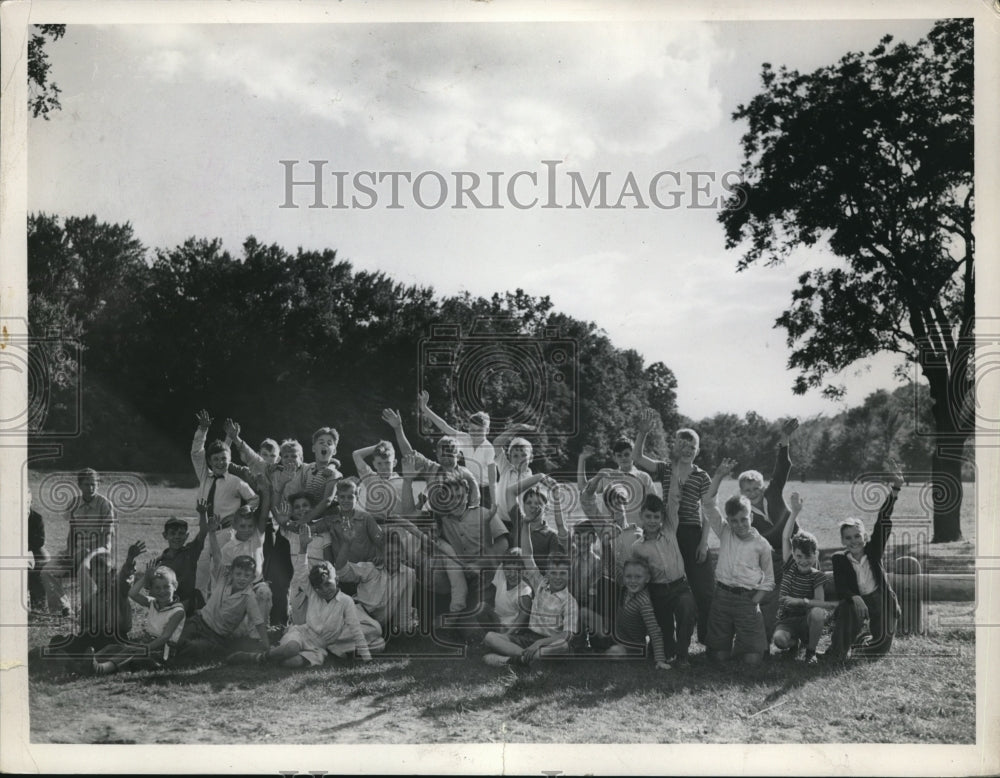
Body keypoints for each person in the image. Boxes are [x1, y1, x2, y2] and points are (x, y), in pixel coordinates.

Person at [711, 418, 800, 642]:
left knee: (803, 589)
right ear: (741, 492)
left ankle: (801, 637)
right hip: (774, 559)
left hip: (798, 549)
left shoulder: (773, 492)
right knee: (773, 596)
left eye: (756, 488)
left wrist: (785, 438)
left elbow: (782, 467)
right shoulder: (746, 515)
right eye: (747, 490)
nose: (753, 493)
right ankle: (770, 639)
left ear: (763, 486)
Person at [633, 410, 715, 645]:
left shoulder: (702, 476)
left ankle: (706, 637)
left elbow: (708, 510)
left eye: (692, 446)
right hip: (668, 531)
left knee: (704, 589)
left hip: (692, 533)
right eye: (683, 445)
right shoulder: (665, 468)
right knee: (667, 586)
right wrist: (642, 433)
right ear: (676, 447)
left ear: (697, 450)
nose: (688, 450)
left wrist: (703, 542)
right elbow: (638, 458)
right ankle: (665, 638)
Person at [227, 556, 384, 668]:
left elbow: (356, 631)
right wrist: (303, 548)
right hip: (303, 634)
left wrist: (367, 660)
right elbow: (301, 572)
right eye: (319, 588)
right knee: (291, 649)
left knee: (291, 663)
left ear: (336, 581)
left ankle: (277, 653)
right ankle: (255, 657)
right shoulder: (314, 594)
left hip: (320, 646)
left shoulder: (346, 602)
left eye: (328, 585)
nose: (324, 590)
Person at [826, 462, 904, 661]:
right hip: (857, 603)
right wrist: (855, 597)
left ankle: (862, 645)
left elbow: (883, 519)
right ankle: (836, 652)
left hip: (880, 598)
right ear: (843, 540)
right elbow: (842, 587)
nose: (854, 541)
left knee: (878, 650)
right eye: (849, 538)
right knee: (847, 607)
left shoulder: (873, 551)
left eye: (857, 536)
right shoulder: (839, 559)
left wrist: (895, 489)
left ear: (865, 537)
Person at [482, 520, 578, 668]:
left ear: (569, 575)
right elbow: (527, 555)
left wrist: (540, 643)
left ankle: (511, 660)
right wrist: (526, 524)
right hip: (529, 638)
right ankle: (525, 659)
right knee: (490, 637)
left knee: (563, 645)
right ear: (547, 573)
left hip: (549, 642)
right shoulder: (540, 583)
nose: (557, 577)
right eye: (553, 573)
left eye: (562, 573)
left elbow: (568, 635)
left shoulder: (570, 602)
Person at [191, 409, 259, 600]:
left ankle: (220, 608)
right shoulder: (204, 476)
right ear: (210, 463)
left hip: (225, 533)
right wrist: (203, 430)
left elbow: (254, 499)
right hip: (205, 532)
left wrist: (247, 508)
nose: (220, 462)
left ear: (230, 461)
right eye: (216, 459)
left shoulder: (235, 482)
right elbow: (197, 452)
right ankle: (201, 610)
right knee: (201, 571)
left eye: (224, 459)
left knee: (220, 572)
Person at [41, 541, 144, 662]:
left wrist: (130, 559)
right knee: (59, 641)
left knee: (110, 649)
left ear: (111, 574)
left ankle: (86, 660)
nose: (100, 578)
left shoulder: (118, 591)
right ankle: (71, 658)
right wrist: (83, 626)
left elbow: (125, 577)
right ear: (92, 575)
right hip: (95, 638)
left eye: (104, 574)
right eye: (97, 575)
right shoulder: (91, 599)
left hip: (115, 638)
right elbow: (84, 626)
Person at [626, 494, 696, 666]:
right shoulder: (638, 547)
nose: (652, 521)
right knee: (665, 642)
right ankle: (666, 647)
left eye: (656, 517)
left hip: (679, 585)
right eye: (648, 516)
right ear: (641, 516)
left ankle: (683, 654)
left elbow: (674, 500)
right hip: (657, 591)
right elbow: (638, 574)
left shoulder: (669, 530)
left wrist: (675, 467)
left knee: (687, 608)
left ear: (663, 518)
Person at [704, 494, 774, 664]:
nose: (740, 524)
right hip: (722, 596)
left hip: (747, 599)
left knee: (752, 660)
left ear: (750, 517)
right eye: (734, 520)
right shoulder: (725, 532)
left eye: (744, 519)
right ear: (728, 520)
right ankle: (725, 644)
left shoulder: (762, 544)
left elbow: (769, 579)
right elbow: (708, 504)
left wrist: (755, 600)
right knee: (718, 658)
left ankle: (744, 643)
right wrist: (719, 475)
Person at [40, 468, 117, 617]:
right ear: (79, 485)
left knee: (83, 571)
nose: (91, 488)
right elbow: (72, 531)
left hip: (99, 553)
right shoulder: (74, 503)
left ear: (98, 485)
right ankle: (63, 609)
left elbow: (106, 538)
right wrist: (70, 552)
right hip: (77, 551)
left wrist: (88, 552)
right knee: (47, 571)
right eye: (87, 484)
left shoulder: (105, 504)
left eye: (94, 484)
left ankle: (88, 612)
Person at [771, 492, 835, 663]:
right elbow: (785, 537)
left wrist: (800, 602)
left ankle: (810, 651)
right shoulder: (790, 564)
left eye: (808, 557)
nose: (803, 561)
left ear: (816, 554)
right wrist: (794, 512)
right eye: (799, 556)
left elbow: (820, 603)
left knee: (817, 612)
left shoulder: (817, 575)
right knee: (779, 640)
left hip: (806, 619)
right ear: (793, 554)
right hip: (788, 618)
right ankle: (793, 643)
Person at [91, 565, 186, 675]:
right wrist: (145, 577)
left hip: (162, 653)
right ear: (151, 590)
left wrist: (143, 649)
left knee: (130, 652)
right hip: (148, 645)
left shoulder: (177, 611)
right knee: (112, 647)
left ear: (175, 586)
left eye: (166, 587)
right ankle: (86, 662)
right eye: (157, 588)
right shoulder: (153, 603)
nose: (162, 591)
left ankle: (101, 669)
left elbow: (164, 637)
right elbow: (132, 593)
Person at [178, 555, 270, 659]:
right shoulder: (223, 579)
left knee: (194, 647)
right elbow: (217, 557)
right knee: (177, 638)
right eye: (238, 574)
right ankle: (163, 653)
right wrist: (212, 537)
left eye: (247, 575)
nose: (242, 578)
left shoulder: (249, 597)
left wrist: (267, 645)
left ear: (253, 578)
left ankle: (173, 656)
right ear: (231, 573)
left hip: (215, 636)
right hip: (198, 622)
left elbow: (258, 622)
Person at [419, 391, 497, 509]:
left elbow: (492, 479)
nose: (475, 434)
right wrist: (424, 408)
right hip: (467, 485)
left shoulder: (489, 448)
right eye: (472, 430)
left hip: (485, 489)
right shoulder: (465, 438)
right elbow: (444, 426)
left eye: (479, 431)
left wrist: (494, 502)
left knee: (482, 520)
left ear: (487, 430)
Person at [334, 531, 417, 635]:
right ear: (381, 554)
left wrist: (404, 627)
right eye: (389, 554)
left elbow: (405, 605)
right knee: (376, 630)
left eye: (397, 553)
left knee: (379, 642)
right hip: (357, 611)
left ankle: (336, 639)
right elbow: (341, 572)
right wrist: (346, 543)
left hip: (375, 624)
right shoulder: (371, 568)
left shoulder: (408, 574)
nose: (394, 558)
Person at [604, 558, 671, 670]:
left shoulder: (643, 602)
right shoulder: (625, 585)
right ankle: (584, 645)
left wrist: (660, 660)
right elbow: (611, 565)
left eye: (638, 577)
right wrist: (605, 544)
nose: (633, 581)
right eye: (628, 576)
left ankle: (604, 651)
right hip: (616, 634)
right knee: (587, 614)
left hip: (631, 645)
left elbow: (655, 632)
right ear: (624, 577)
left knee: (615, 652)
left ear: (647, 578)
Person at [150, 509, 209, 615]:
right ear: (165, 535)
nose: (177, 537)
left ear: (186, 536)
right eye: (172, 533)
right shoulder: (160, 562)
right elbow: (152, 590)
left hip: (190, 604)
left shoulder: (190, 552)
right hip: (168, 605)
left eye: (181, 533)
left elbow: (203, 532)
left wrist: (202, 513)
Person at [324, 478, 384, 565]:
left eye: (350, 497)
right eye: (342, 497)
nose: (346, 500)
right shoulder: (331, 521)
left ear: (357, 497)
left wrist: (381, 554)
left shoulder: (365, 518)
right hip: (344, 570)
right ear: (337, 498)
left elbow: (381, 540)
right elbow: (312, 527)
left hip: (367, 567)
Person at [293, 426, 345, 522]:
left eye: (329, 443)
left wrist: (306, 519)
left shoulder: (334, 474)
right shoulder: (306, 468)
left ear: (334, 451)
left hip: (326, 519)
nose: (325, 445)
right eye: (321, 442)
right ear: (313, 448)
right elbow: (291, 462)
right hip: (307, 514)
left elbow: (327, 500)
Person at [478, 548, 534, 633]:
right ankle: (487, 635)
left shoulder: (524, 592)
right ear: (503, 568)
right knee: (481, 607)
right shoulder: (501, 574)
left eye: (517, 570)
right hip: (497, 617)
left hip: (509, 626)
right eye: (508, 570)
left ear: (524, 570)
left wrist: (506, 635)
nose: (512, 574)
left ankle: (497, 637)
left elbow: (521, 619)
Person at [27, 492, 49, 612]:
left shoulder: (36, 518)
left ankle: (39, 603)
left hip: (31, 549)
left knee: (44, 560)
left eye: (27, 502)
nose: (24, 505)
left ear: (31, 503)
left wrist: (27, 548)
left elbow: (40, 540)